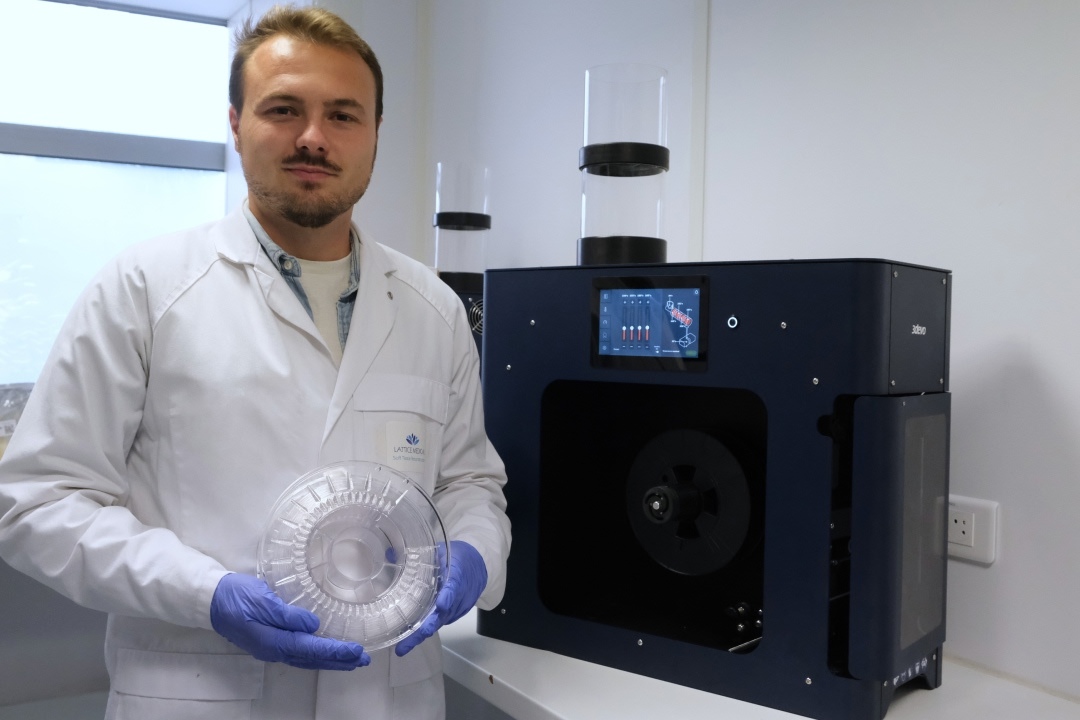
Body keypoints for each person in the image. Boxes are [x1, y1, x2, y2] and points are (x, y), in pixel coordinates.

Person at [0, 5, 510, 720]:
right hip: (201, 694)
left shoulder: (432, 307)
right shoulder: (145, 288)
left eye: (342, 115)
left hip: (387, 697)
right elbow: (37, 500)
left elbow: (468, 481)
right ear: (236, 123)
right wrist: (204, 594)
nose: (313, 137)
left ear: (374, 135)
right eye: (283, 109)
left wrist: (474, 552)